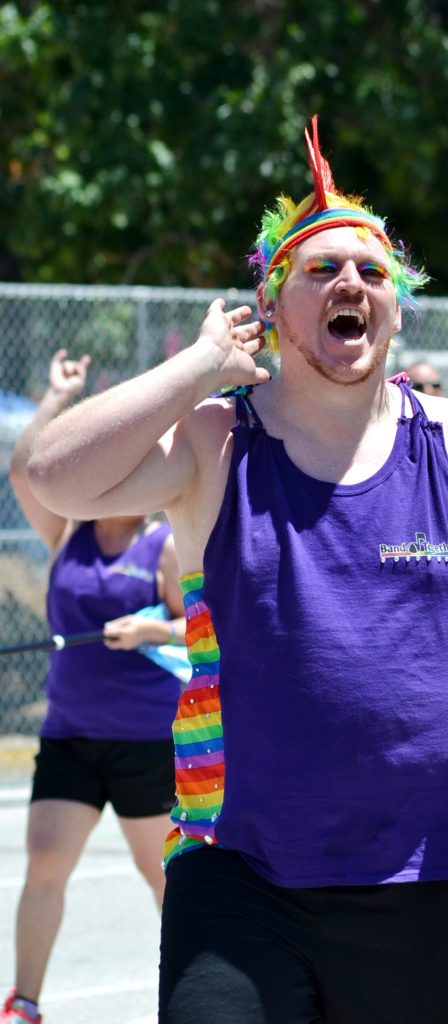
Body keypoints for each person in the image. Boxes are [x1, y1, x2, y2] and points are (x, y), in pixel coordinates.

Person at [27, 118, 448, 1024]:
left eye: (370, 273)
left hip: (423, 876)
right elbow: (51, 474)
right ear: (273, 307)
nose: (349, 285)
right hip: (238, 872)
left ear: (396, 310)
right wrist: (199, 366)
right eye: (319, 271)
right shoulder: (215, 436)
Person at [2, 350, 186, 1024]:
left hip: (146, 742)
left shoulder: (163, 543)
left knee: (166, 879)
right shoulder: (68, 531)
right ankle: (24, 1002)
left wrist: (152, 631)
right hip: (70, 737)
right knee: (45, 865)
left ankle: (194, 995)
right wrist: (55, 398)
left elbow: (203, 627)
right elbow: (25, 470)